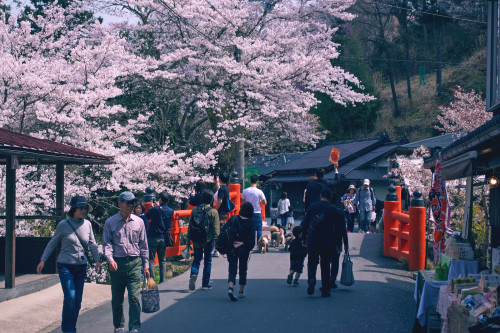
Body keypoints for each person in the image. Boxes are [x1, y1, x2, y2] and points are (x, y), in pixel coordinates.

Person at [37, 195, 101, 333]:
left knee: (77, 301)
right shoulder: (63, 225)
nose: (83, 211)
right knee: (70, 297)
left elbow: (92, 244)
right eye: (80, 208)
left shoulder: (88, 224)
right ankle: (68, 329)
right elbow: (53, 242)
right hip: (65, 265)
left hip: (81, 265)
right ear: (73, 209)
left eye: (85, 208)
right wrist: (43, 259)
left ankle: (71, 326)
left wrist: (97, 260)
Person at [103, 191, 149, 333]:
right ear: (120, 204)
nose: (131, 205)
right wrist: (110, 259)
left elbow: (144, 245)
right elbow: (107, 244)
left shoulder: (139, 222)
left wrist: (146, 265)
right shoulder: (110, 222)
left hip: (135, 263)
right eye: (128, 203)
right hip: (117, 263)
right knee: (117, 298)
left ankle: (134, 326)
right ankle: (119, 326)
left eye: (133, 203)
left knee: (134, 296)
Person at [301, 188, 339, 297]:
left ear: (321, 195)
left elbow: (306, 223)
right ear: (330, 197)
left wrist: (304, 237)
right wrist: (337, 243)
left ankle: (311, 279)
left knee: (312, 261)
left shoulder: (312, 206)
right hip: (327, 241)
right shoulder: (333, 210)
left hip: (313, 239)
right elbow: (336, 229)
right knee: (325, 264)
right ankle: (325, 289)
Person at [187, 189, 220, 291]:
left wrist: (188, 240)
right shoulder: (213, 212)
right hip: (208, 240)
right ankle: (205, 283)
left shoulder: (195, 210)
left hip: (196, 240)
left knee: (196, 260)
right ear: (211, 200)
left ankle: (193, 274)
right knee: (207, 261)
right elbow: (216, 230)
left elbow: (190, 226)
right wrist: (217, 242)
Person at [226, 202, 255, 301]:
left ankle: (230, 288)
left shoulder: (233, 218)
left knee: (232, 268)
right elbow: (252, 240)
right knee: (243, 269)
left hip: (232, 247)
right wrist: (242, 243)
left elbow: (224, 230)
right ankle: (241, 291)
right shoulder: (251, 223)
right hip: (244, 248)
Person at [145, 191, 173, 284]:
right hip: (164, 237)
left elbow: (147, 216)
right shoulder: (170, 210)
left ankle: (152, 280)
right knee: (162, 260)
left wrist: (153, 207)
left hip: (154, 236)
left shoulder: (156, 209)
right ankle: (162, 281)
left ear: (160, 199)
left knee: (151, 259)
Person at [241, 174, 267, 245]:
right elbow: (265, 202)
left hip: (248, 212)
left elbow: (243, 200)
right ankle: (259, 244)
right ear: (257, 182)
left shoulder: (245, 191)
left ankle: (249, 243)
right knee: (259, 228)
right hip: (257, 212)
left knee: (248, 228)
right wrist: (260, 201)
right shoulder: (259, 191)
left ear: (250, 181)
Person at [330, 203, 349, 289]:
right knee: (335, 262)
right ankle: (332, 280)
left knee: (325, 261)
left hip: (325, 240)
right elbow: (343, 230)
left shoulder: (325, 210)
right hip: (337, 241)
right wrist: (346, 244)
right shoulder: (340, 212)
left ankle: (326, 280)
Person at [213, 171, 231, 257]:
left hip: (220, 212)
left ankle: (218, 248)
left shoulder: (221, 189)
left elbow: (219, 201)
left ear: (220, 179)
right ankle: (218, 248)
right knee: (221, 228)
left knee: (218, 230)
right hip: (225, 212)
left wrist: (215, 210)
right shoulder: (226, 188)